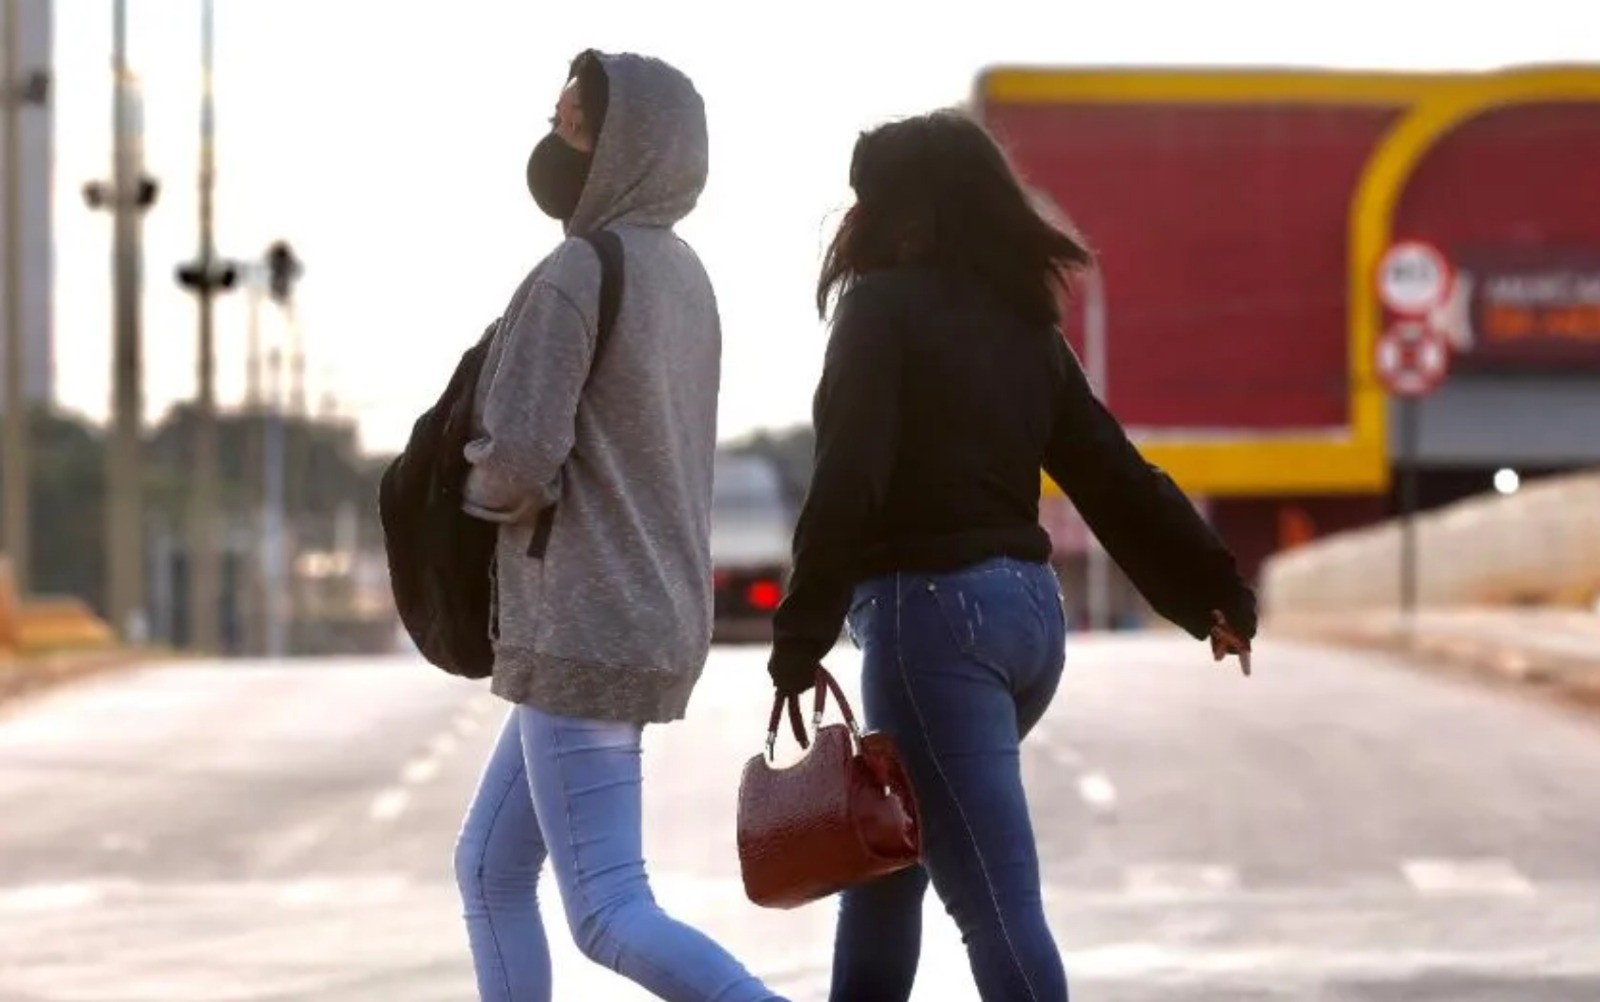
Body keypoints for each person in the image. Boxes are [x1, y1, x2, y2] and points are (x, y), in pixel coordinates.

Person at [766, 110, 1257, 1002]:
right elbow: (1111, 473)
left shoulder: (881, 308)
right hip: (1027, 619)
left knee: (993, 903)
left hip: (933, 626)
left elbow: (848, 478)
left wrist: (800, 635)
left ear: (902, 208)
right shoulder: (1024, 327)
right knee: (888, 868)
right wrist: (1211, 589)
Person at [453, 50, 786, 1002]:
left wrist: (463, 499)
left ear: (626, 147)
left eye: (573, 124)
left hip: (583, 620)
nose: (553, 137)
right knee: (490, 869)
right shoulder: (687, 280)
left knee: (605, 908)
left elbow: (518, 460)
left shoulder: (574, 273)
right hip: (648, 608)